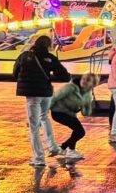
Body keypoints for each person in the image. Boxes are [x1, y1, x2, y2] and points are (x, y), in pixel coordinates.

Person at [12, 35, 72, 166]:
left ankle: (39, 158)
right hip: (46, 93)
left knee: (34, 127)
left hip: (32, 94)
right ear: (48, 46)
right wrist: (51, 76)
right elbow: (65, 76)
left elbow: (15, 72)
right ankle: (53, 147)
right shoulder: (50, 58)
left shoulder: (25, 56)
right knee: (44, 117)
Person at [50, 73, 98, 161]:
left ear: (93, 84)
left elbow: (85, 113)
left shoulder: (88, 94)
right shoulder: (70, 87)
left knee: (79, 131)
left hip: (70, 114)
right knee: (79, 131)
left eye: (88, 80)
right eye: (83, 79)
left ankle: (68, 150)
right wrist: (43, 113)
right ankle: (65, 148)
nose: (84, 81)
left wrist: (88, 105)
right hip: (58, 111)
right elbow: (54, 97)